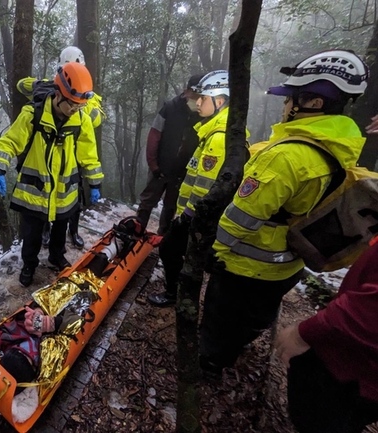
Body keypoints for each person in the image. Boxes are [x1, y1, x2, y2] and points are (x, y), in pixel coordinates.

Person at [200, 50, 369, 378]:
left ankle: (208, 364)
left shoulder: (286, 158)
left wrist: (212, 251)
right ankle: (230, 350)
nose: (284, 106)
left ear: (313, 103)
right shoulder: (339, 150)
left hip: (245, 267)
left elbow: (241, 219)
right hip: (285, 265)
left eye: (290, 99)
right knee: (253, 318)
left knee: (222, 321)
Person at [0, 62, 103, 287]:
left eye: (79, 105)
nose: (74, 109)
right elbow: (10, 141)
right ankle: (29, 265)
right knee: (31, 233)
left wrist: (94, 183)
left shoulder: (81, 119)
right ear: (57, 94)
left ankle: (56, 256)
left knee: (61, 227)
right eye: (71, 104)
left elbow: (88, 153)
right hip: (35, 190)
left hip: (65, 190)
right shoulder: (33, 114)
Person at [147, 70, 235, 307]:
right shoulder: (213, 131)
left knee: (170, 250)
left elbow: (204, 187)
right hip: (195, 215)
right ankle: (183, 295)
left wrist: (186, 217)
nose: (197, 103)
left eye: (203, 99)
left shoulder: (217, 138)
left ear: (219, 101)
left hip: (196, 216)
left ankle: (175, 295)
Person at [275, 237, 378, 433]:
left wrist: (302, 334)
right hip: (360, 368)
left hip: (352, 366)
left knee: (317, 418)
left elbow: (369, 313)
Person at [17, 46, 104, 250]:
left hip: (74, 152)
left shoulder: (89, 98)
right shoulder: (54, 88)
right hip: (50, 149)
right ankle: (46, 231)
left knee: (72, 199)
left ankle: (73, 231)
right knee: (46, 193)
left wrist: (80, 105)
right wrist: (43, 85)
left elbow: (96, 119)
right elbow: (21, 85)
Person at [136, 73, 202, 234]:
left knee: (171, 206)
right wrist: (153, 165)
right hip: (161, 166)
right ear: (186, 91)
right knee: (148, 201)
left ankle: (162, 237)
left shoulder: (201, 115)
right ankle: (136, 231)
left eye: (201, 96)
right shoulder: (170, 107)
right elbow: (154, 135)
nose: (197, 99)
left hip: (182, 171)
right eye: (195, 94)